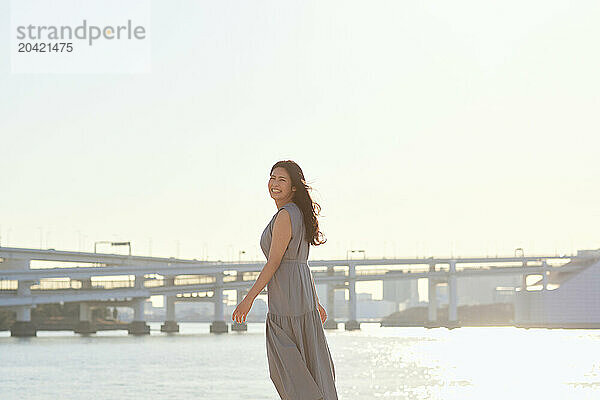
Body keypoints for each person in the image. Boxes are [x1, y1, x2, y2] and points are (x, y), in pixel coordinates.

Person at [232, 160, 338, 400]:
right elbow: (302, 262)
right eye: (272, 178)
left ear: (293, 187)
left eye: (282, 180)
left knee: (286, 364)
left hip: (287, 295)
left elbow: (274, 262)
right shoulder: (299, 213)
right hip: (300, 291)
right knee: (308, 359)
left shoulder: (285, 215)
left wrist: (247, 300)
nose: (275, 184)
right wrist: (315, 300)